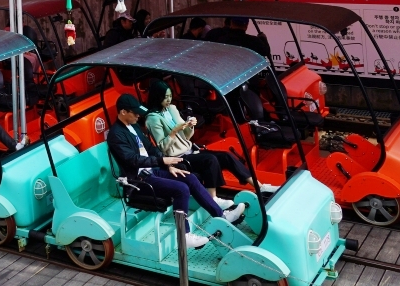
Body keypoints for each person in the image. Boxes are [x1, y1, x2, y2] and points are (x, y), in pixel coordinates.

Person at [107, 94, 245, 249]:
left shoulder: (134, 127)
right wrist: (162, 161)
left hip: (151, 172)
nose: (138, 115)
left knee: (190, 178)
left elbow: (151, 149)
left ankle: (222, 215)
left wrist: (168, 165)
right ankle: (183, 236)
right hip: (137, 181)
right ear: (123, 112)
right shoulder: (115, 135)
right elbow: (132, 159)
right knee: (181, 189)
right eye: (134, 112)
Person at [144, 80, 276, 199]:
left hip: (190, 150)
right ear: (157, 97)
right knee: (210, 160)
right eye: (165, 97)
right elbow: (162, 147)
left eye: (170, 96)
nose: (169, 100)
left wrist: (190, 126)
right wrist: (174, 131)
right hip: (178, 158)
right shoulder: (152, 118)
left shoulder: (172, 108)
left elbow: (186, 137)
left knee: (226, 156)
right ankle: (212, 198)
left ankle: (260, 187)